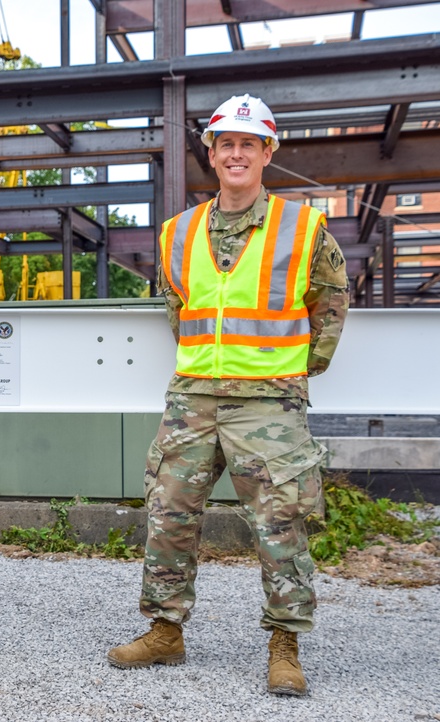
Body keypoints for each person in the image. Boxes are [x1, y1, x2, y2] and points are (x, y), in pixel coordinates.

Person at [107, 94, 348, 696]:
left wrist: (295, 370)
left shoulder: (304, 227)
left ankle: (284, 646)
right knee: (169, 516)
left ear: (268, 151)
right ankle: (165, 631)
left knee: (280, 524)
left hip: (269, 400)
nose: (236, 153)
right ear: (212, 155)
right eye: (225, 144)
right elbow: (176, 307)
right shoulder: (177, 231)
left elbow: (331, 306)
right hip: (192, 396)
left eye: (249, 143)